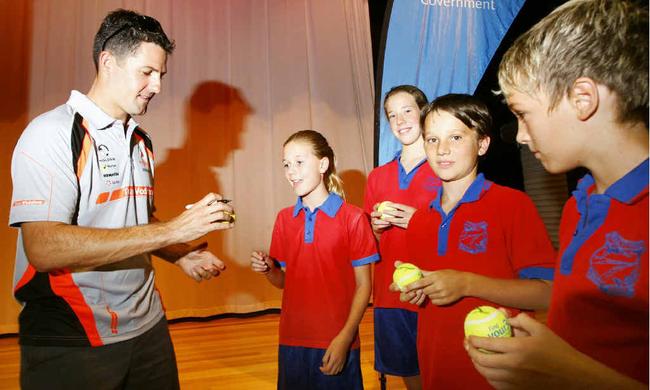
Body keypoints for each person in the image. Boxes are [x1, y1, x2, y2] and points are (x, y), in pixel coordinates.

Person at [9, 9, 234, 390]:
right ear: (108, 62)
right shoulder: (50, 134)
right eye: (146, 72)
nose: (157, 86)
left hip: (148, 327)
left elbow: (136, 221)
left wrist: (180, 251)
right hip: (72, 337)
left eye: (161, 75)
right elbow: (44, 248)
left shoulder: (140, 140)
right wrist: (176, 229)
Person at [465, 1, 649, 388]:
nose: (519, 135)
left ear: (582, 99)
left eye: (522, 113)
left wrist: (565, 372)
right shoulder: (578, 205)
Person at [391, 93, 557, 389]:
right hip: (435, 368)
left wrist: (467, 283)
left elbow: (546, 293)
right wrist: (418, 290)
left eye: (455, 137)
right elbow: (430, 300)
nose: (442, 149)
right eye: (432, 139)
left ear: (482, 144)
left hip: (498, 373)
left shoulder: (512, 205)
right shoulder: (419, 222)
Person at [250, 130, 379, 389]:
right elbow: (283, 281)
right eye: (286, 164)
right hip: (291, 340)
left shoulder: (353, 218)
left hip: (336, 341)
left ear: (323, 164)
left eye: (299, 162)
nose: (291, 171)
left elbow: (364, 287)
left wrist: (345, 338)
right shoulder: (284, 219)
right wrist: (269, 269)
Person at [363, 85, 439, 389]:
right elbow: (369, 241)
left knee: (443, 370)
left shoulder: (445, 166)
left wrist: (418, 221)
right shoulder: (377, 176)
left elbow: (462, 230)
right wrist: (376, 229)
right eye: (392, 115)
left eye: (407, 110)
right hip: (391, 292)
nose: (400, 120)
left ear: (424, 111)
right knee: (411, 373)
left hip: (434, 289)